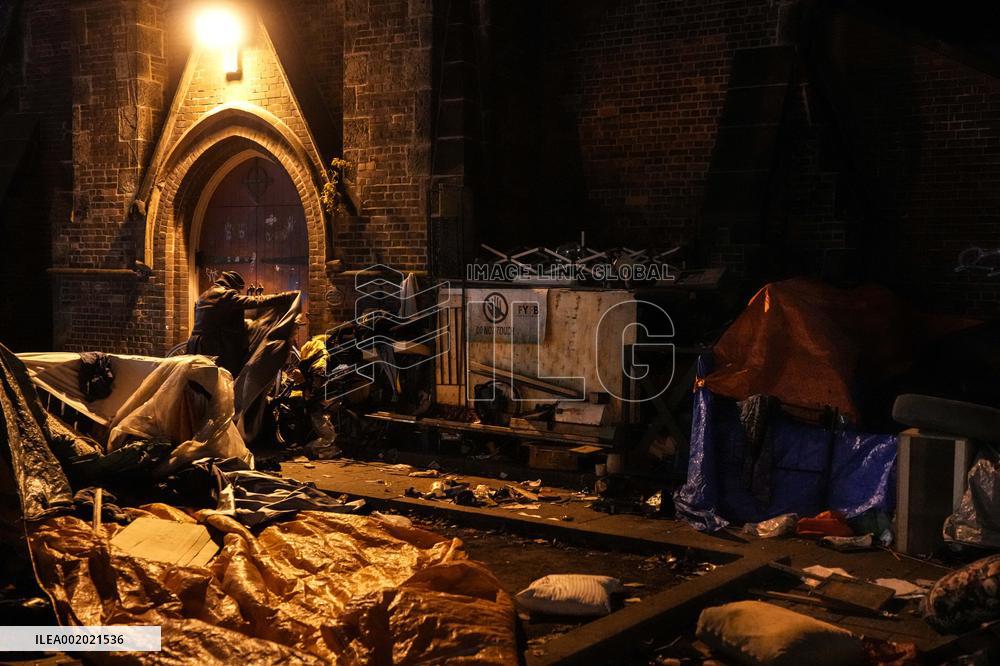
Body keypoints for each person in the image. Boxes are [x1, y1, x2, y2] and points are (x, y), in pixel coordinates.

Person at [186, 271, 297, 377]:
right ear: (233, 286)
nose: (238, 293)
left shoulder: (205, 294)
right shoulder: (226, 295)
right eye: (238, 290)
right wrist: (285, 297)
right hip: (214, 346)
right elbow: (257, 301)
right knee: (224, 377)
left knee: (201, 380)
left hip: (196, 345)